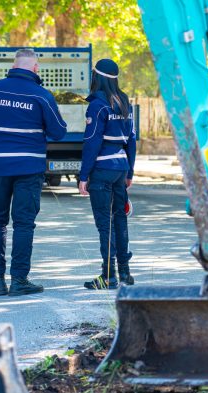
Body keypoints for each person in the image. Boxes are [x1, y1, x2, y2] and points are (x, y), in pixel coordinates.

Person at [0, 49, 67, 296]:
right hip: (29, 168)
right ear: (36, 68)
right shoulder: (42, 96)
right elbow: (59, 132)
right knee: (24, 224)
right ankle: (19, 280)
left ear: (14, 64)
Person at [78, 59, 136, 290]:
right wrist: (130, 170)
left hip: (101, 170)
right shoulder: (124, 102)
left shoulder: (97, 105)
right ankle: (125, 273)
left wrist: (84, 176)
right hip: (120, 168)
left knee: (105, 224)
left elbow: (92, 142)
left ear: (97, 77)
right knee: (120, 220)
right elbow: (131, 140)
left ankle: (108, 276)